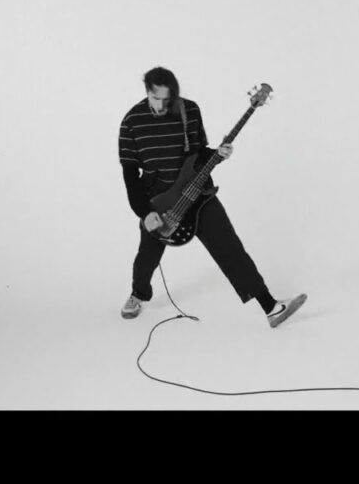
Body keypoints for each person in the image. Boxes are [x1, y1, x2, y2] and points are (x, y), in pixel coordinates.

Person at [118, 67, 306, 328]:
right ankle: (138, 294)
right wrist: (144, 212)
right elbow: (130, 174)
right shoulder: (131, 122)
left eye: (167, 99)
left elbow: (199, 153)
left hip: (198, 193)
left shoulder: (189, 110)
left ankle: (271, 307)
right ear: (146, 91)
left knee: (230, 248)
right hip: (159, 202)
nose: (161, 105)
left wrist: (218, 154)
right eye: (155, 98)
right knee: (147, 256)